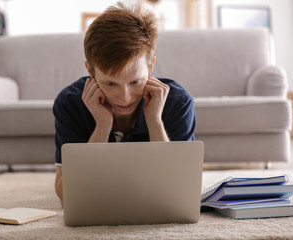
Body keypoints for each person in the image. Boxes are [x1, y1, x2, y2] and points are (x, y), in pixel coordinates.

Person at [53, 2, 196, 206]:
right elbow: (68, 198)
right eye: (110, 83)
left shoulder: (177, 103)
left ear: (150, 66)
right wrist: (102, 127)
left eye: (135, 82)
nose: (124, 97)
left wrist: (155, 121)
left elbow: (180, 194)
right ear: (91, 72)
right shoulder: (70, 103)